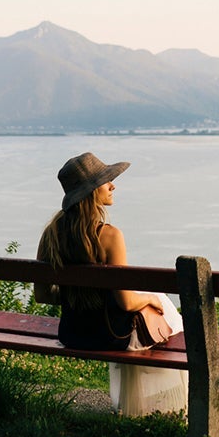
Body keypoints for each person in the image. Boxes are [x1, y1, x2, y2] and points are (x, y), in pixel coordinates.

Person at [36, 152, 187, 416]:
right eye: (107, 181)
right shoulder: (110, 236)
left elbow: (42, 295)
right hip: (111, 337)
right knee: (164, 308)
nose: (113, 185)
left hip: (73, 334)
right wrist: (152, 298)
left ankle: (138, 405)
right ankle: (168, 407)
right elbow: (125, 302)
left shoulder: (51, 235)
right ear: (93, 191)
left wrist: (80, 295)